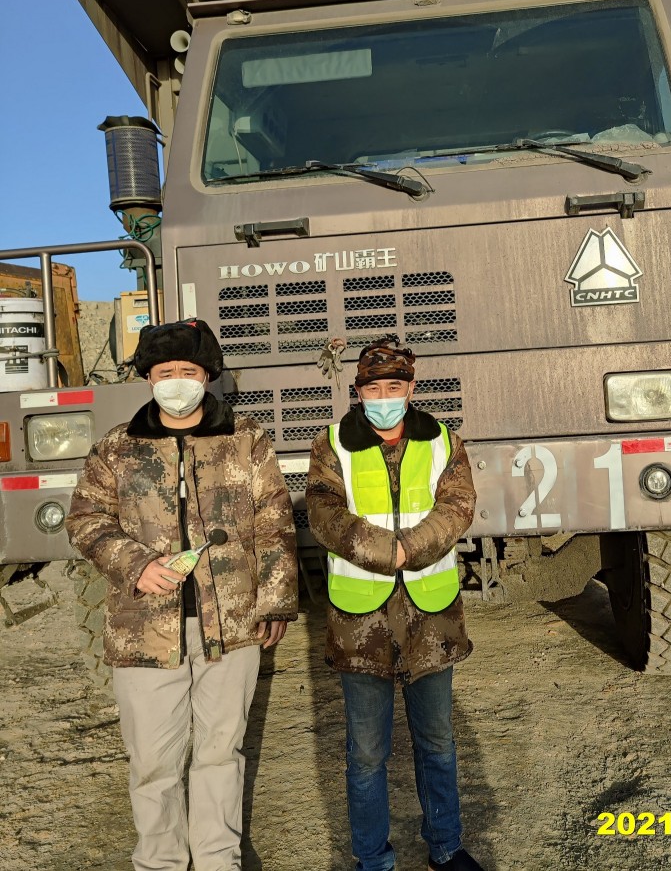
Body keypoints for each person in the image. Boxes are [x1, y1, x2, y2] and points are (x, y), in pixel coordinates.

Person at [67, 319, 297, 871]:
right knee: (152, 761)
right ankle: (160, 862)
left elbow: (275, 523)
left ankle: (218, 859)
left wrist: (275, 601)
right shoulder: (117, 448)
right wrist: (137, 565)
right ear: (149, 378)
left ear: (207, 375)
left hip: (232, 627)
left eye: (187, 371)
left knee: (220, 753)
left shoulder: (246, 440)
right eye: (164, 371)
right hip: (143, 630)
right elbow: (85, 520)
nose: (176, 382)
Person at [306, 335, 484, 871]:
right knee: (365, 753)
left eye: (394, 386)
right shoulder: (332, 444)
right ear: (358, 391)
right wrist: (389, 552)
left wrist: (413, 547)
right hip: (361, 620)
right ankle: (373, 859)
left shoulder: (444, 441)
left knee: (437, 741)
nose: (384, 397)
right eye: (373, 388)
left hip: (431, 615)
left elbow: (458, 506)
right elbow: (324, 514)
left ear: (411, 388)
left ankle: (446, 849)